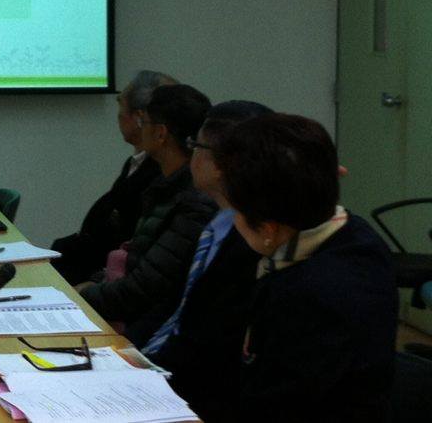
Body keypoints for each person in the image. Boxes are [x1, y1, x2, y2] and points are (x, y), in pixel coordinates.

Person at [214, 113, 397, 423]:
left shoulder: (308, 294)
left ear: (268, 228)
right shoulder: (350, 231)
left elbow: (274, 406)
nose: (233, 221)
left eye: (236, 212)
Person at [142, 101, 269, 423]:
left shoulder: (256, 241)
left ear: (223, 164)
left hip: (197, 396)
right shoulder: (217, 222)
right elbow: (174, 305)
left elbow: (211, 345)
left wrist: (143, 373)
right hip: (163, 368)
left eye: (196, 146)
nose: (191, 155)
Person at [78, 84, 215, 346]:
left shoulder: (193, 203)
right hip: (124, 308)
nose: (139, 128)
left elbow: (144, 289)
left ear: (161, 133)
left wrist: (81, 295)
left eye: (144, 122)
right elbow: (135, 259)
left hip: (141, 332)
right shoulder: (163, 185)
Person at [51, 70, 176, 285]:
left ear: (139, 118)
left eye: (121, 107)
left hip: (99, 279)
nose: (118, 116)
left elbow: (120, 239)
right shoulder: (136, 164)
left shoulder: (158, 174)